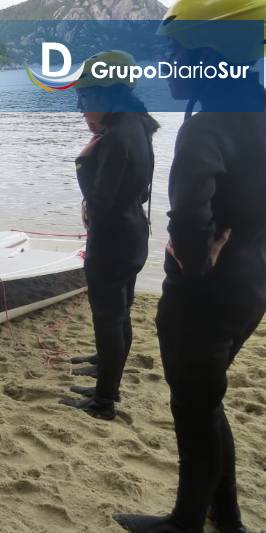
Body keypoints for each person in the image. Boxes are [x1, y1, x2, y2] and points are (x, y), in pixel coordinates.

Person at [114, 1, 266, 531]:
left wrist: (197, 259)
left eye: (176, 51)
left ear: (211, 54)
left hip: (203, 300)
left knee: (194, 410)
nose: (169, 63)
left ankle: (185, 523)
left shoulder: (204, 130)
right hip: (251, 290)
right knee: (210, 401)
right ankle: (227, 520)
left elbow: (189, 224)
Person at [58, 51, 160, 421]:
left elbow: (99, 202)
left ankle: (103, 402)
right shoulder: (138, 125)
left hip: (113, 243)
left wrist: (83, 163)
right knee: (120, 313)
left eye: (85, 99)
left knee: (108, 318)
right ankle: (106, 370)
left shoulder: (116, 137)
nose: (81, 109)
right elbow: (141, 189)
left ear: (107, 96)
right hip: (133, 235)